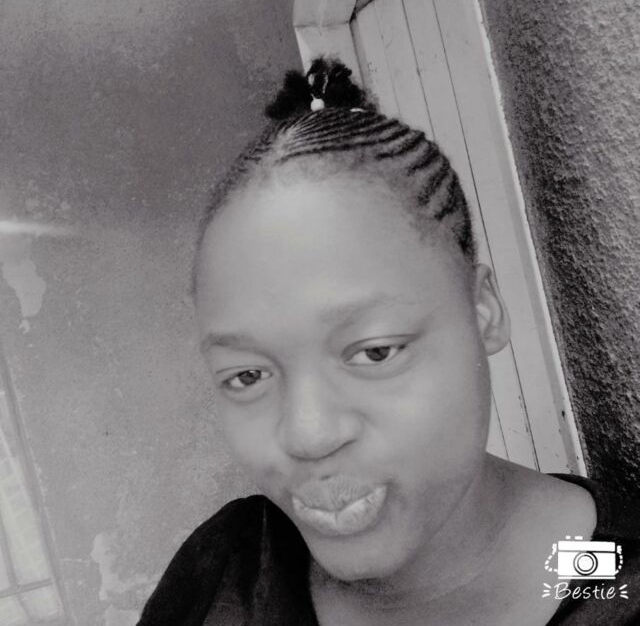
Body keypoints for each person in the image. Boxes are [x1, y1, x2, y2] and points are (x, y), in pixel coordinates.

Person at [137, 58, 640, 625]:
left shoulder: (613, 587)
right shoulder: (229, 570)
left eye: (375, 351)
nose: (308, 435)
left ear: (483, 310)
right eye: (247, 375)